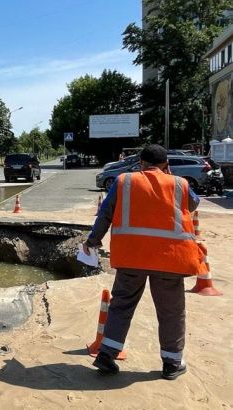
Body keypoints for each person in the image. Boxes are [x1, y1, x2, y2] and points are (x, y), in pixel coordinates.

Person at [83, 144, 207, 380]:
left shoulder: (123, 181)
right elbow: (193, 204)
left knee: (121, 305)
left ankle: (107, 353)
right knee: (171, 312)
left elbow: (105, 214)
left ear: (140, 163)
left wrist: (93, 240)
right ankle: (171, 363)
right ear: (166, 165)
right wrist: (168, 180)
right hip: (170, 259)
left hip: (131, 257)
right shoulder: (179, 184)